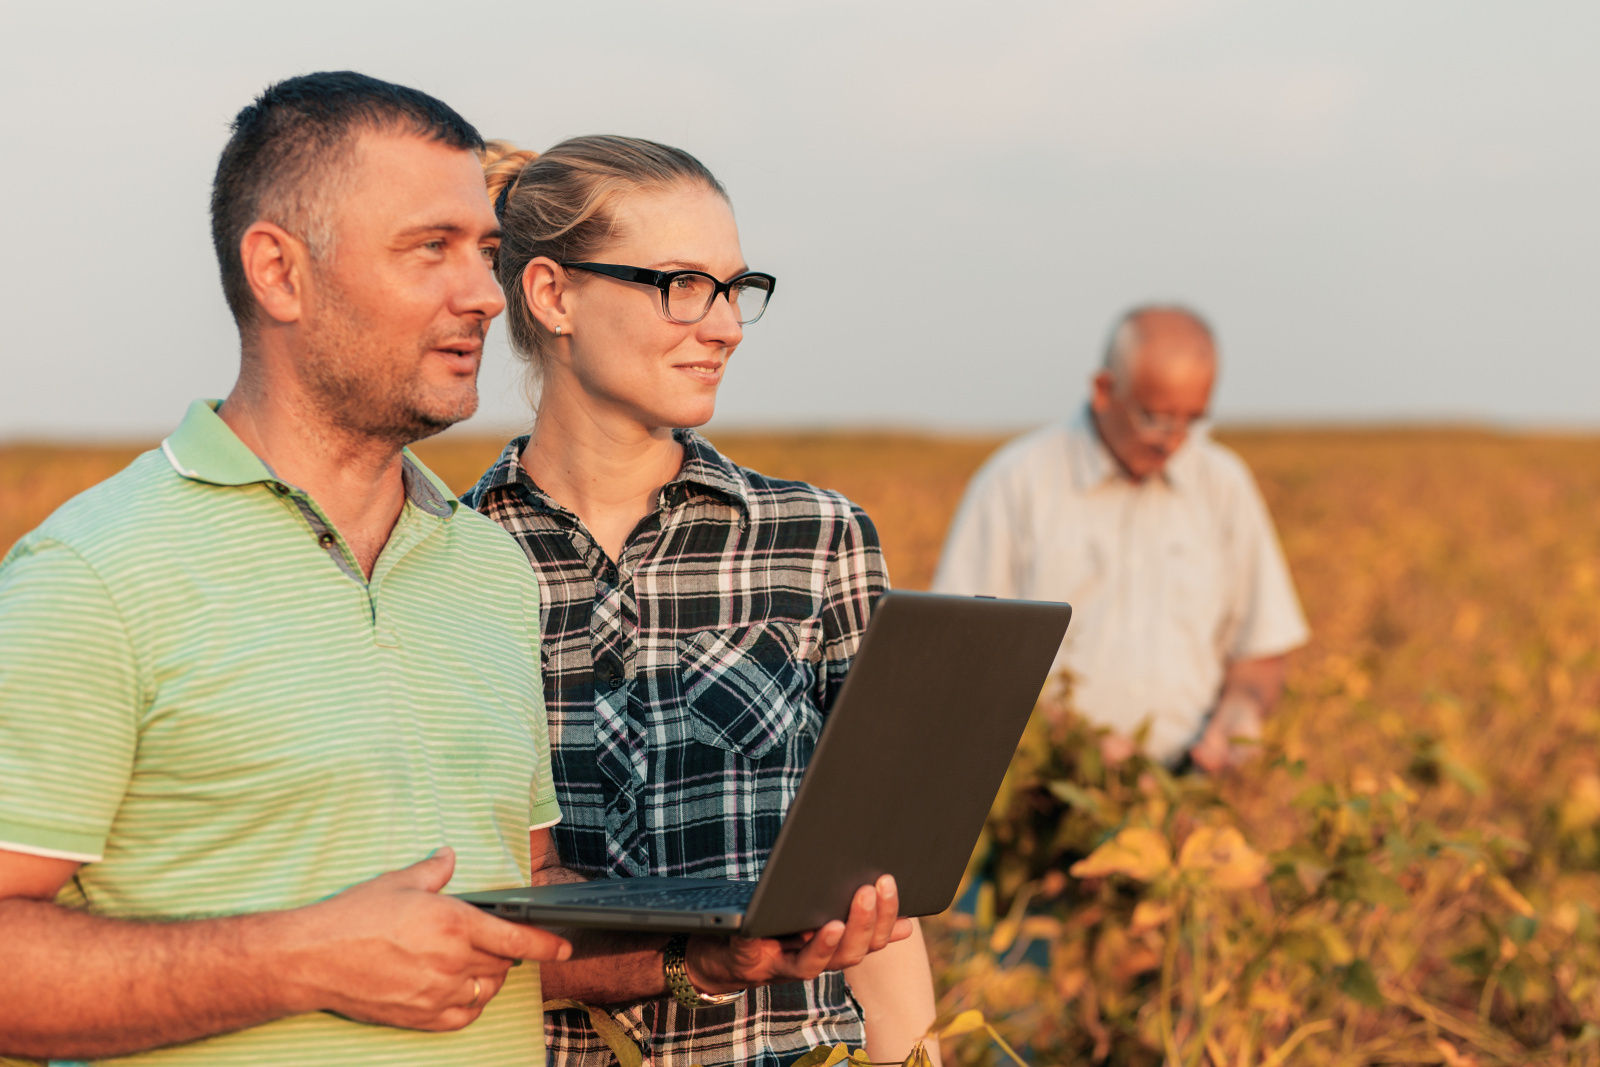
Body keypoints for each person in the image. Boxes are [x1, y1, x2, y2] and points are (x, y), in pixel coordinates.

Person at [0, 72, 573, 1064]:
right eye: (429, 248)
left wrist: (716, 943)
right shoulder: (91, 574)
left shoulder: (490, 566)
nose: (485, 293)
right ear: (278, 271)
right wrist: (296, 957)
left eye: (486, 251)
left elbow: (506, 912)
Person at [460, 136, 940, 1066]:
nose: (724, 326)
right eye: (682, 284)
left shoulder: (819, 540)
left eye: (734, 288)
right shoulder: (448, 560)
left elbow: (881, 898)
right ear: (553, 295)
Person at [932, 305, 1309, 772]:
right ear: (1104, 391)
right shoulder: (1017, 482)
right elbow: (962, 657)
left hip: (1187, 788)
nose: (1172, 440)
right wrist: (1066, 743)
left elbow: (1260, 649)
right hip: (1045, 790)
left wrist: (1242, 709)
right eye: (1155, 418)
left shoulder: (1223, 485)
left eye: (1192, 420)